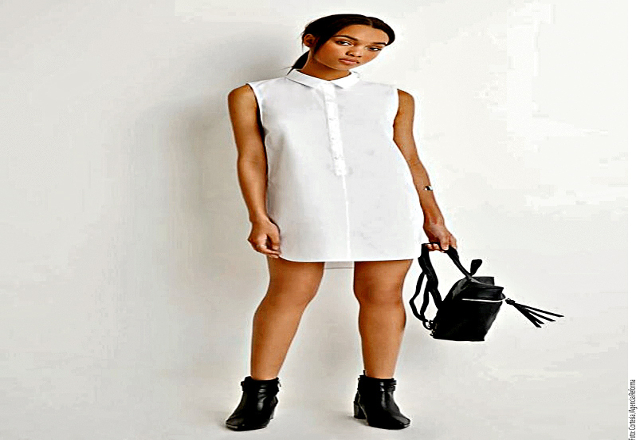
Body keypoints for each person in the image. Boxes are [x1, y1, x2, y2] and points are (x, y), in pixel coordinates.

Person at [225, 13, 457, 431]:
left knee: (383, 297)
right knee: (286, 297)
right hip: (301, 207)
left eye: (373, 49)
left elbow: (410, 159)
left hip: (386, 207)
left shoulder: (394, 97)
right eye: (346, 42)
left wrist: (434, 218)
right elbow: (252, 159)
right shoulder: (255, 95)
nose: (358, 54)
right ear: (310, 40)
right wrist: (258, 216)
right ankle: (258, 395)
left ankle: (377, 394)